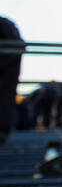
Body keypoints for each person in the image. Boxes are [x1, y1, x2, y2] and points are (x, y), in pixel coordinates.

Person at [0, 17, 22, 145]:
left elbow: (17, 47)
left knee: (5, 98)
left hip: (9, 65)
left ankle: (1, 133)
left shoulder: (5, 25)